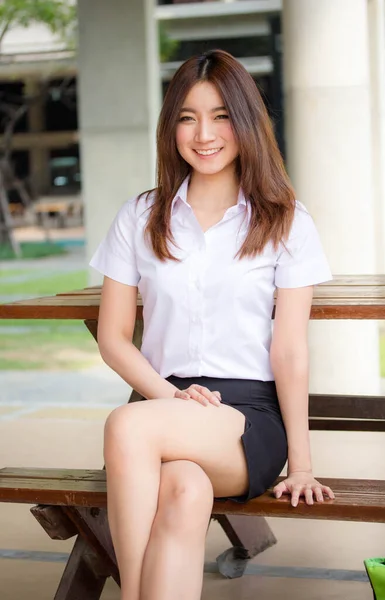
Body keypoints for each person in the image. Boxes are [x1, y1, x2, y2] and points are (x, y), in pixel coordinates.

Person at [90, 49, 335, 600]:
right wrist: (170, 399)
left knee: (128, 427)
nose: (204, 133)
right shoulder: (139, 217)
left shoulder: (285, 220)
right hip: (162, 403)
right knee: (180, 490)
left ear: (246, 122)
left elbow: (290, 352)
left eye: (221, 115)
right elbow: (112, 338)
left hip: (246, 420)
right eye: (187, 117)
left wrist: (303, 463)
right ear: (171, 126)